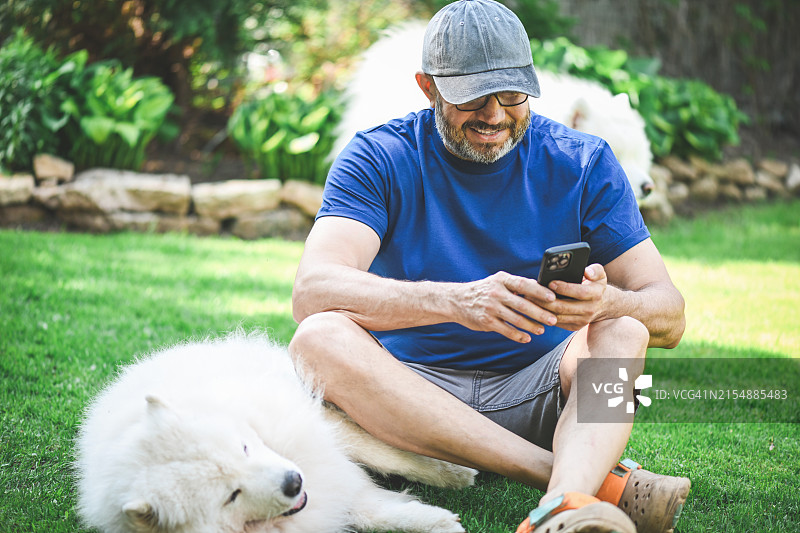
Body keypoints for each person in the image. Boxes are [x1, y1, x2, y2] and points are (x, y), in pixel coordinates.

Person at [289, 1, 690, 531]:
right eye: (473, 96)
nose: (495, 114)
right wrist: (455, 301)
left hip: (541, 393)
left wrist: (608, 301)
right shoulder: (378, 156)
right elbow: (312, 291)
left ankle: (562, 507)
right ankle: (570, 486)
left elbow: (670, 314)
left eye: (512, 95)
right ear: (427, 87)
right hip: (405, 395)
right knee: (318, 338)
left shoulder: (584, 161)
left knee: (624, 331)